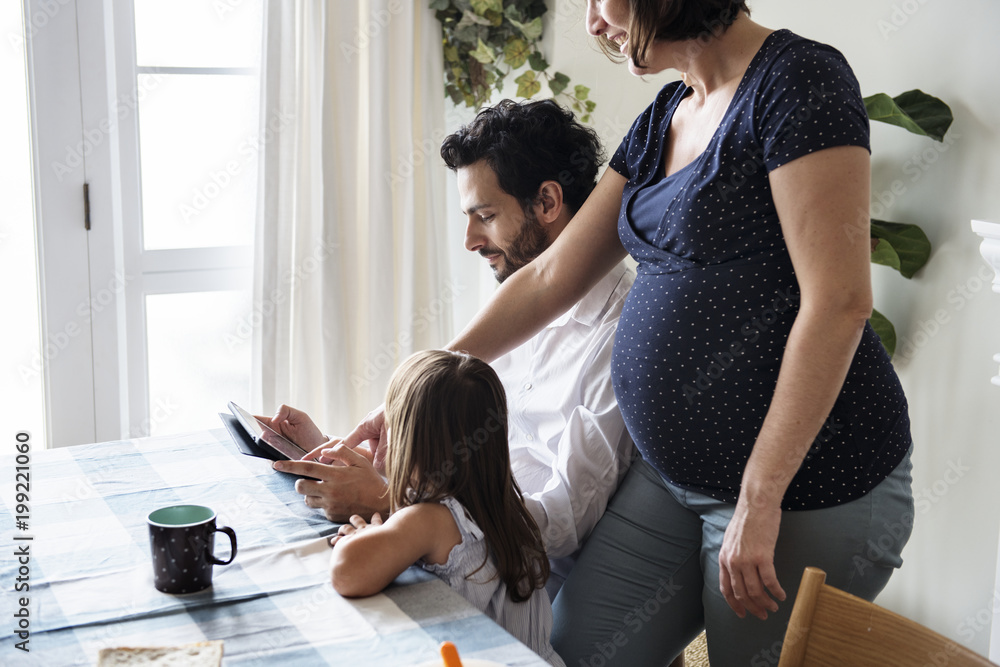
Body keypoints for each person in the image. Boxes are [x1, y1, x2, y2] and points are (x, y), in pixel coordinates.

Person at [338, 2, 915, 665]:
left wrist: (760, 497)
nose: (591, 22)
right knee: (566, 652)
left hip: (805, 487)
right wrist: (417, 387)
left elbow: (839, 301)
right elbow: (552, 273)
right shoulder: (666, 114)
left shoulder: (798, 82)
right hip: (671, 479)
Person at [268, 99, 636, 596]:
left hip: (515, 584)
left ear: (548, 203)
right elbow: (462, 466)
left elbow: (561, 525)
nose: (469, 240)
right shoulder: (510, 308)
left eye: (485, 215)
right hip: (446, 544)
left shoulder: (617, 334)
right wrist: (350, 461)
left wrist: (397, 504)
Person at [329, 349, 565, 667]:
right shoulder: (510, 509)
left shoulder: (432, 519)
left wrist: (371, 536)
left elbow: (346, 572)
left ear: (407, 444)